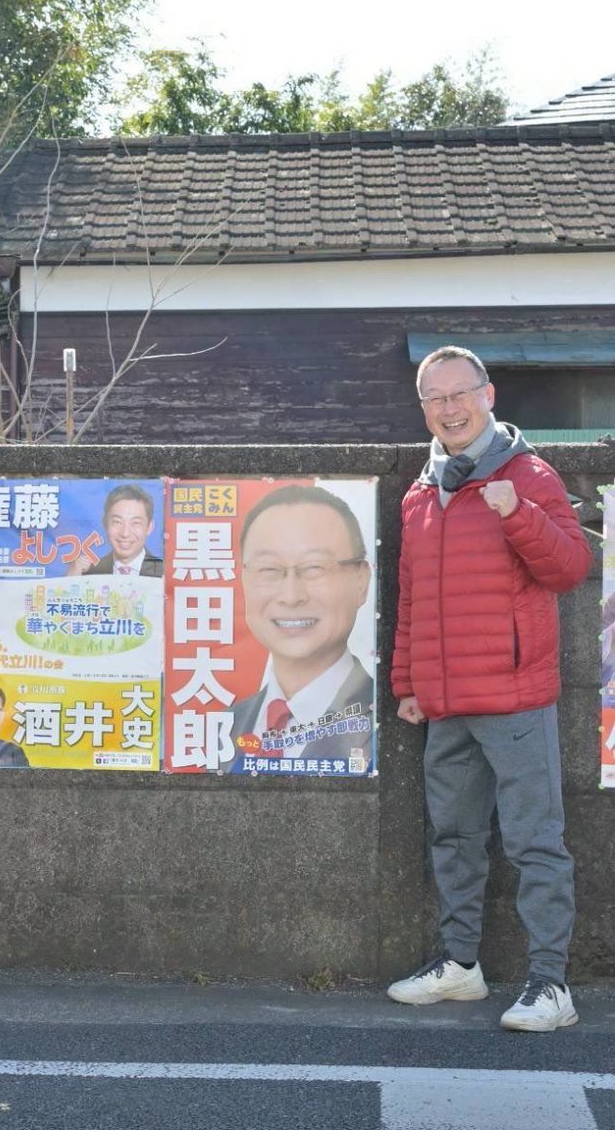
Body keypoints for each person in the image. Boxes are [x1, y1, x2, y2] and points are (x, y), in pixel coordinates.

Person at [388, 345, 591, 1032]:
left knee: (536, 842)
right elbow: (412, 594)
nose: (449, 408)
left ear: (489, 394)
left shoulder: (530, 475)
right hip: (445, 705)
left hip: (514, 698)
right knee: (453, 837)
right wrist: (408, 682)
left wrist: (516, 514)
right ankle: (460, 967)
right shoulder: (421, 492)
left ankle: (551, 985)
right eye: (435, 398)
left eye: (459, 393)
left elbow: (569, 567)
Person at [230, 485, 374, 772]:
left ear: (361, 580)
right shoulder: (225, 724)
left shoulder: (383, 716)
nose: (292, 596)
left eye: (314, 568)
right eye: (269, 569)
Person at [67, 483, 163, 577]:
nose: (125, 533)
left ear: (149, 527)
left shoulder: (165, 573)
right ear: (105, 523)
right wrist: (72, 579)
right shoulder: (88, 571)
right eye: (117, 522)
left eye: (135, 523)